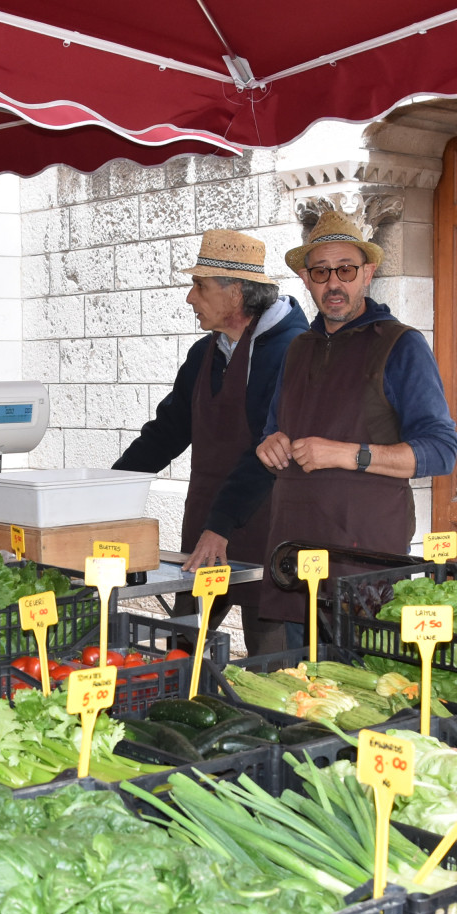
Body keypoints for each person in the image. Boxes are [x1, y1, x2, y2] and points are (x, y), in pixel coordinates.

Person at [255, 210, 457, 630]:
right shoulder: (298, 349)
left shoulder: (401, 344)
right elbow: (273, 429)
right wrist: (269, 442)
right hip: (294, 554)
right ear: (306, 279)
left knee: (362, 687)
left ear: (367, 273)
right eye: (321, 272)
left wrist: (347, 454)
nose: (334, 283)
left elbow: (441, 451)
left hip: (363, 556)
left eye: (346, 269)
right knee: (298, 690)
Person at [113, 229, 308, 654]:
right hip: (207, 523)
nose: (189, 298)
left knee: (270, 664)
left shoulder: (292, 350)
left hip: (266, 525)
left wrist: (222, 525)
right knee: (183, 649)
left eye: (199, 286)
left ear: (235, 293)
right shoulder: (205, 353)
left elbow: (271, 451)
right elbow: (166, 432)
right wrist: (110, 488)